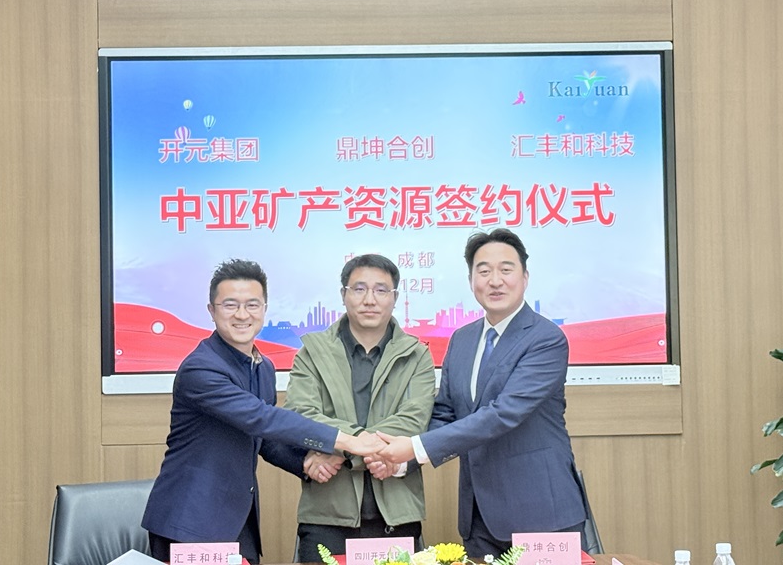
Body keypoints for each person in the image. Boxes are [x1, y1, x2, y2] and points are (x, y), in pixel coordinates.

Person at [141, 258, 384, 565]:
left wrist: (306, 462)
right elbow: (263, 419)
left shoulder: (263, 366)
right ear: (211, 311)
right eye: (230, 305)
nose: (242, 315)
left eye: (252, 305)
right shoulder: (200, 369)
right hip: (191, 520)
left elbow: (266, 440)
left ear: (265, 309)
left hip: (237, 519)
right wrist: (348, 441)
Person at [374, 229, 588, 557]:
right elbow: (446, 412)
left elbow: (503, 414)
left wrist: (414, 448)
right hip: (480, 518)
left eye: (506, 270)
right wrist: (404, 462)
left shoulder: (546, 339)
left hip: (542, 514)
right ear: (471, 280)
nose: (495, 281)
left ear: (525, 277)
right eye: (484, 271)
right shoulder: (462, 340)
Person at [284, 254, 436, 561]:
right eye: (359, 289)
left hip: (397, 513)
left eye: (381, 290)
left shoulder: (417, 355)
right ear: (343, 294)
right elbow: (302, 414)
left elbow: (414, 421)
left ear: (395, 297)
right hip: (326, 516)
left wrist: (340, 450)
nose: (370, 299)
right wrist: (359, 446)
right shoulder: (312, 351)